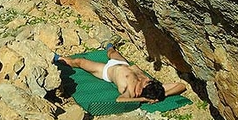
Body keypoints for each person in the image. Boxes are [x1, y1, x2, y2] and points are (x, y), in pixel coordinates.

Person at [54, 44, 187, 103]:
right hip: (123, 64)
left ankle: (58, 59)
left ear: (141, 90)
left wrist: (145, 99)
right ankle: (110, 46)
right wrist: (162, 96)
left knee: (79, 61)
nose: (147, 78)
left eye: (147, 82)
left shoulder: (130, 91)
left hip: (106, 71)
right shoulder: (155, 88)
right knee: (112, 52)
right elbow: (181, 85)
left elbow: (120, 99)